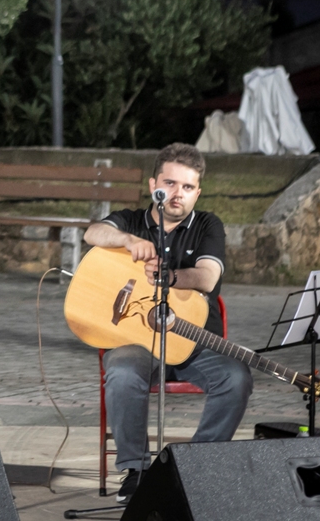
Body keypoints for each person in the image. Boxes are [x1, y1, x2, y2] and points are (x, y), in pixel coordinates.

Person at [82, 143, 252, 504]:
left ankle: (192, 470)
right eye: (170, 184)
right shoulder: (130, 220)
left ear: (197, 192)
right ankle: (136, 472)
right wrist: (128, 240)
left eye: (187, 187)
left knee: (236, 378)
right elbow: (93, 233)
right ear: (153, 185)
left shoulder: (207, 225)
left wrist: (169, 277)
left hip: (195, 343)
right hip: (136, 342)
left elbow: (208, 277)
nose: (178, 194)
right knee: (122, 372)